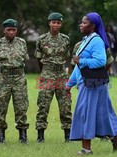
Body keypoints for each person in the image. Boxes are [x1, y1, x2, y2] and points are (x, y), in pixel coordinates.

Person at [66, 12, 117, 155]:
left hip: (93, 84)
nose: (81, 24)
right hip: (86, 83)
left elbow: (100, 61)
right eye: (82, 22)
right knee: (99, 113)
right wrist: (69, 84)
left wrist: (82, 60)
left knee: (87, 114)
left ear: (92, 26)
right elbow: (78, 66)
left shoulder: (96, 40)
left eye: (84, 23)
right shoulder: (85, 40)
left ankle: (87, 149)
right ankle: (115, 133)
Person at [0, 19, 29, 144]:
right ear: (4, 30)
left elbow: (25, 60)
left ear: (16, 30)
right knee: (1, 106)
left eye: (13, 30)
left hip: (19, 78)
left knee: (21, 107)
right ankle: (0, 136)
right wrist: (3, 72)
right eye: (9, 30)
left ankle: (23, 136)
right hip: (3, 78)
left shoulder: (22, 42)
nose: (11, 32)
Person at [34, 12, 72, 143]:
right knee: (43, 105)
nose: (55, 25)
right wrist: (45, 71)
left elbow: (66, 56)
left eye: (58, 23)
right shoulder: (41, 39)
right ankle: (40, 135)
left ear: (61, 24)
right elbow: (39, 59)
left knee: (65, 105)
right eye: (53, 22)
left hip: (61, 75)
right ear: (49, 23)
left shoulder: (66, 39)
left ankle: (68, 135)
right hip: (46, 74)